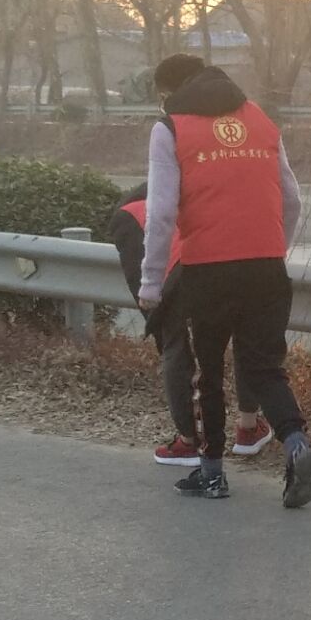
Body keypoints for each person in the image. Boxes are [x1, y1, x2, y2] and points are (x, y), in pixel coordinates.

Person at [136, 54, 311, 507]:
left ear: (170, 90)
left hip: (207, 269)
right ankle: (296, 442)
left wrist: (151, 282)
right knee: (264, 368)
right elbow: (292, 199)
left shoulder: (170, 127)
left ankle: (212, 475)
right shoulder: (259, 119)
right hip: (266, 266)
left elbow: (161, 213)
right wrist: (275, 250)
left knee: (206, 373)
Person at [108, 183, 273, 466]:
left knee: (173, 341)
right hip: (227, 255)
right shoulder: (211, 191)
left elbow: (147, 297)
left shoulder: (128, 217)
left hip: (180, 270)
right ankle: (248, 428)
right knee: (244, 330)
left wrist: (160, 325)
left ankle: (189, 442)